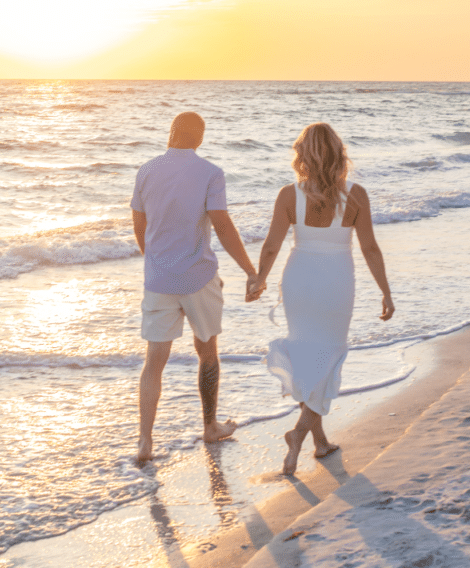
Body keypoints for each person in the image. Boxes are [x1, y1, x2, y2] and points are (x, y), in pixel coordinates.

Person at [246, 122, 394, 475]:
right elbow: (369, 247)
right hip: (336, 280)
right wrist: (385, 291)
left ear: (303, 155)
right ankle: (299, 435)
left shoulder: (288, 195)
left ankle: (319, 441)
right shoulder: (356, 194)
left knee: (307, 353)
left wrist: (259, 280)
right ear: (338, 153)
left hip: (298, 278)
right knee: (328, 356)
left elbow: (272, 245)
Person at [131, 111, 261, 462]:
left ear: (170, 132)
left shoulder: (146, 170)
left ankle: (145, 441)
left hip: (158, 280)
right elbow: (221, 224)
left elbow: (139, 226)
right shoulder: (209, 173)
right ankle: (210, 426)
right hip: (199, 277)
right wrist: (250, 270)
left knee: (153, 362)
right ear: (200, 138)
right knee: (207, 352)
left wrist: (156, 263)